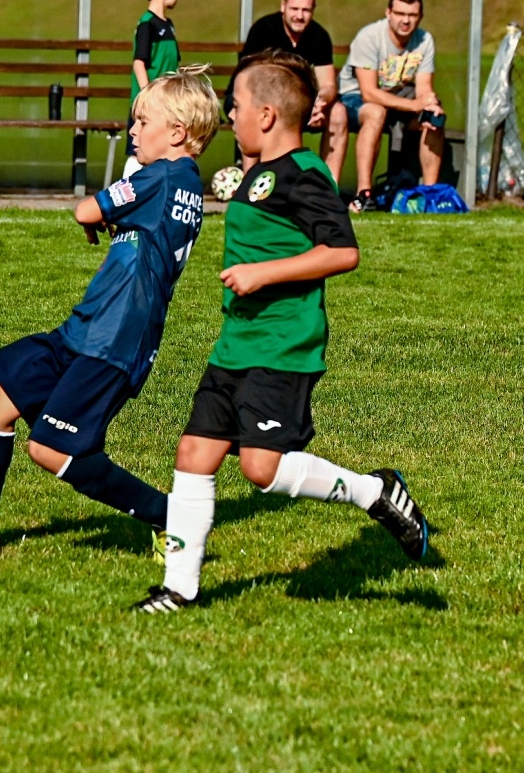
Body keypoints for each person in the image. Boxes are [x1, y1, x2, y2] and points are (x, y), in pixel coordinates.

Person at [134, 50, 429, 614]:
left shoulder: (306, 175)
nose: (230, 115)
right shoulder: (261, 174)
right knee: (194, 453)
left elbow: (343, 251)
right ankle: (179, 588)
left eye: (236, 106)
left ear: (267, 115)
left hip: (283, 344)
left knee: (261, 469)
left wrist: (262, 273)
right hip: (236, 340)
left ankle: (376, 491)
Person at [0, 67, 220, 557]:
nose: (133, 131)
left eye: (143, 122)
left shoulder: (159, 176)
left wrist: (103, 210)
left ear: (178, 133)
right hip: (89, 329)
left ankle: (171, 517)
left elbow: (85, 210)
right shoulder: (182, 181)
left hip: (113, 342)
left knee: (51, 448)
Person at [229, 0, 346, 182]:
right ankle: (249, 184)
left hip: (297, 104)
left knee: (338, 112)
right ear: (283, 6)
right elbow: (251, 82)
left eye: (305, 10)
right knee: (256, 109)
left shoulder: (319, 36)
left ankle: (329, 184)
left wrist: (319, 103)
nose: (299, 16)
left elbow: (328, 85)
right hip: (257, 97)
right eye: (294, 9)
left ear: (313, 10)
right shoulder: (263, 30)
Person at [338, 0, 444, 211]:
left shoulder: (425, 40)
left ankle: (430, 194)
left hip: (397, 97)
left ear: (420, 17)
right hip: (354, 98)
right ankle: (364, 194)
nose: (405, 21)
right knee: (376, 112)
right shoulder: (369, 37)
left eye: (412, 15)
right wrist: (415, 105)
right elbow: (368, 92)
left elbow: (424, 87)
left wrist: (428, 104)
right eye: (400, 14)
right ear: (388, 13)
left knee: (433, 116)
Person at [123, 0, 180, 178]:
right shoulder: (148, 24)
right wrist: (147, 95)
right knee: (137, 151)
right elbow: (139, 62)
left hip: (166, 100)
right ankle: (123, 194)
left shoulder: (168, 25)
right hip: (150, 102)